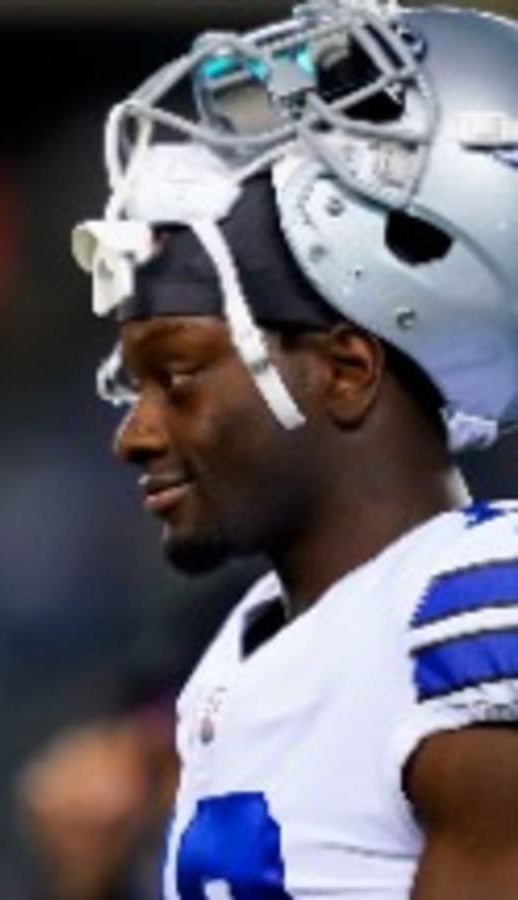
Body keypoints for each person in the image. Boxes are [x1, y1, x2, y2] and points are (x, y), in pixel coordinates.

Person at [70, 1, 518, 896]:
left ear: (346, 369)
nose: (136, 433)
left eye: (181, 375)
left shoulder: (476, 615)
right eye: (136, 386)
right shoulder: (245, 646)